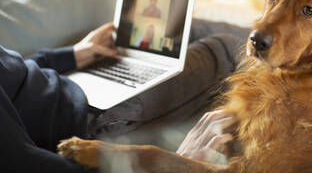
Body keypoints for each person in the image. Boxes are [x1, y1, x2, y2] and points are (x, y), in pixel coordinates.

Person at [0, 22, 237, 173]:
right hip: (90, 119)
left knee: (184, 27)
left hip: (71, 82)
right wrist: (174, 163)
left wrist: (70, 55)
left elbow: (10, 69)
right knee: (225, 47)